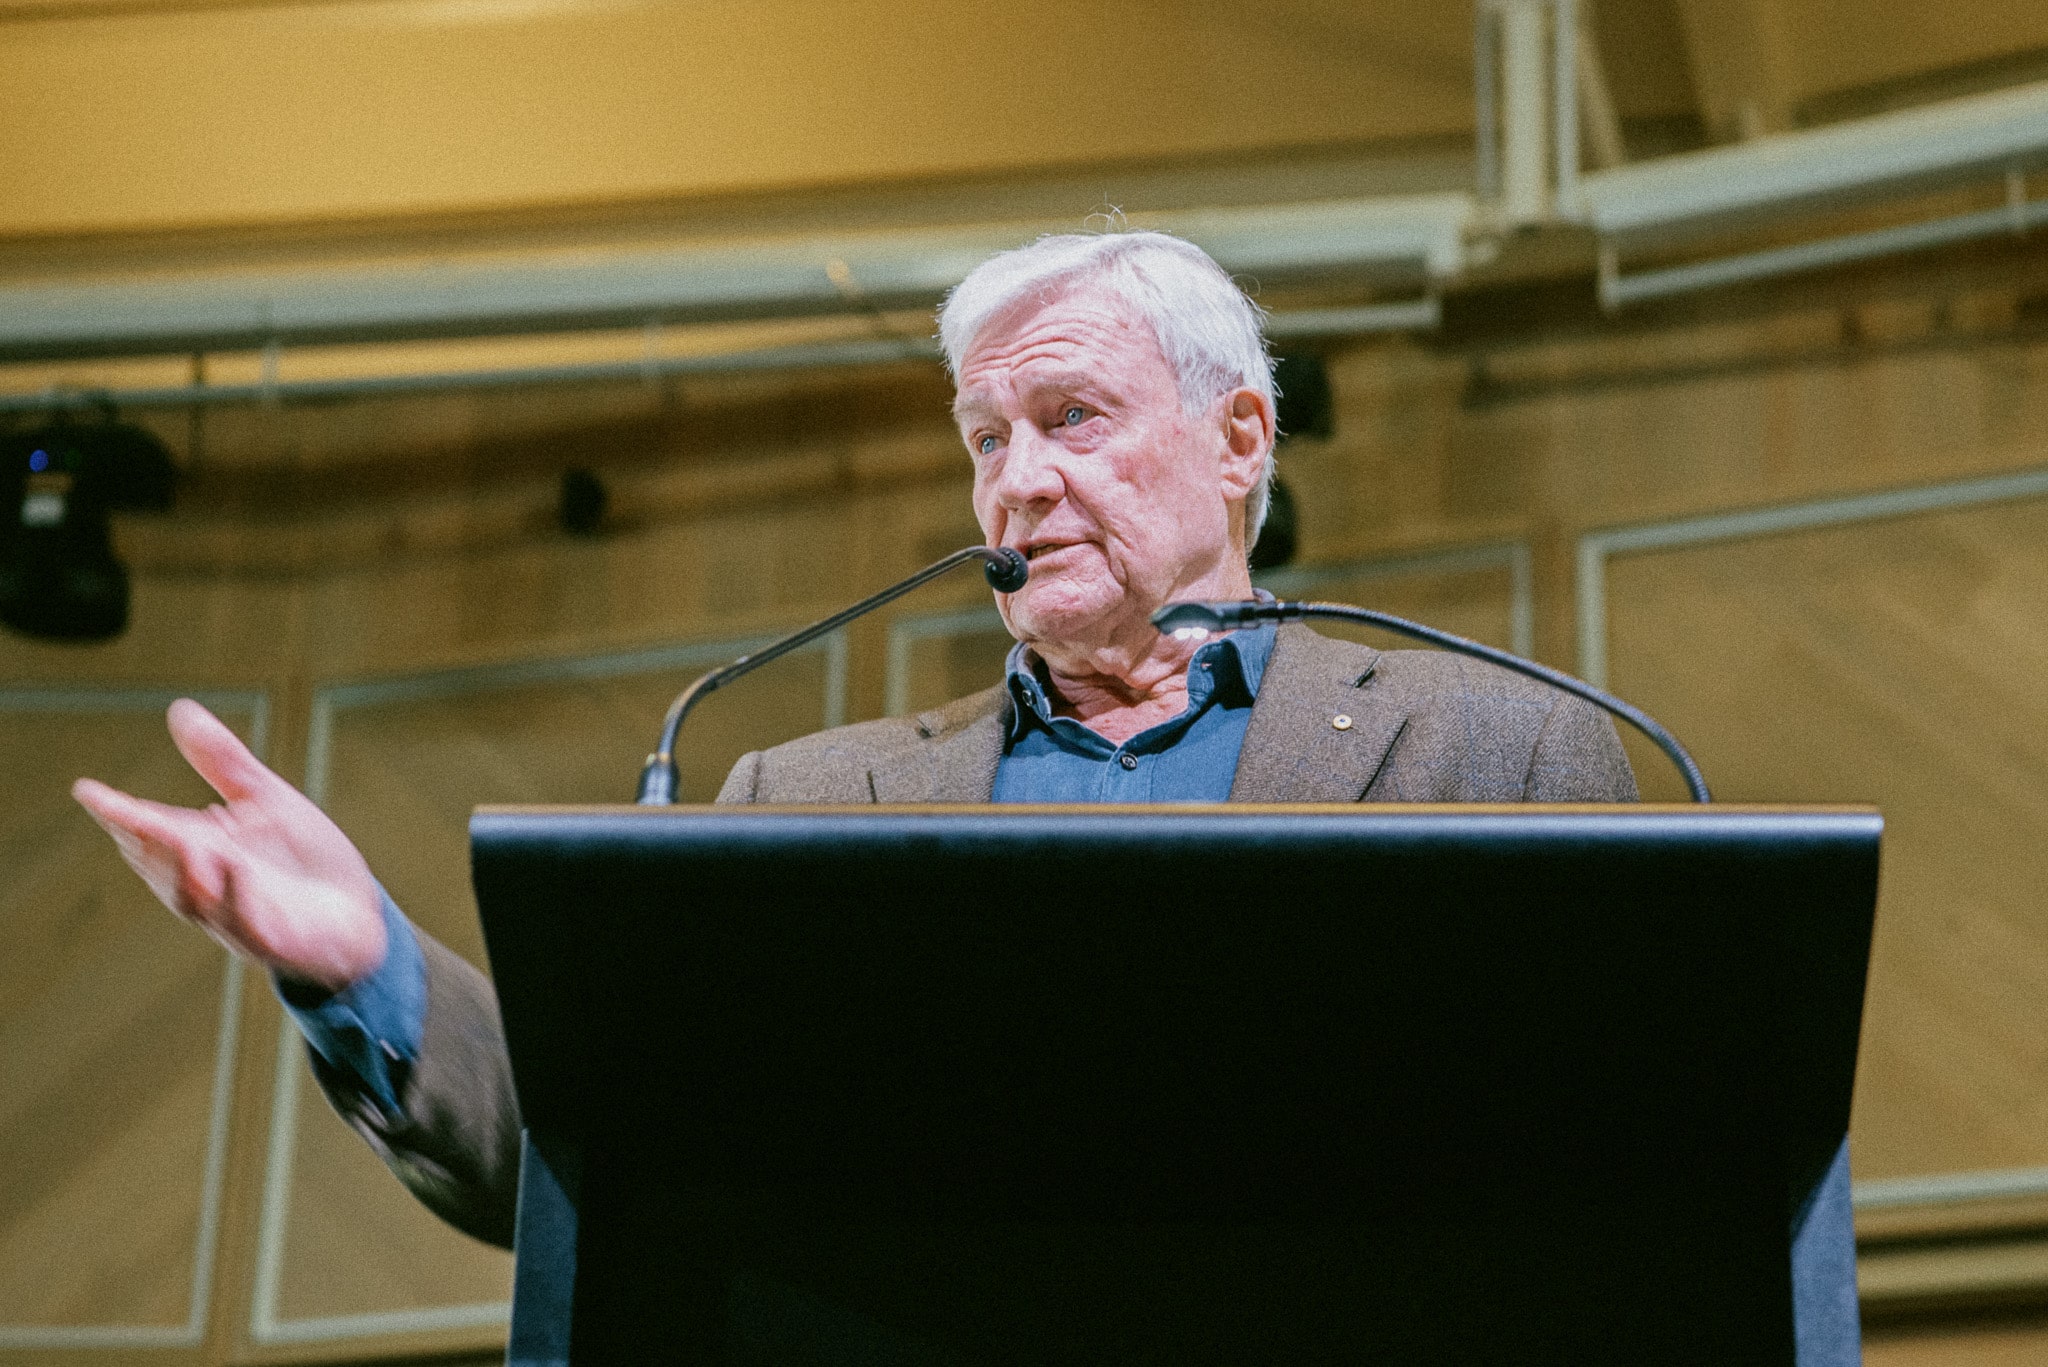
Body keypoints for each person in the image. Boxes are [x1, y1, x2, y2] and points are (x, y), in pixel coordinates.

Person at [72, 230, 1855, 1362]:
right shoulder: (805, 785)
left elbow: (1634, 1202)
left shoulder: (1500, 748)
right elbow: (596, 1164)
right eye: (985, 439)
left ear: (1241, 442)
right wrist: (357, 954)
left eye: (1071, 417)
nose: (1015, 486)